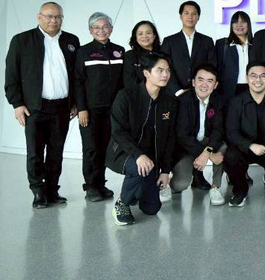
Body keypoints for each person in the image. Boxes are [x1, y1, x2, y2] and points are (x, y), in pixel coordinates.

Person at [4, 2, 80, 209]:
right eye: (49, 16)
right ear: (39, 17)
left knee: (56, 151)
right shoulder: (22, 40)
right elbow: (11, 75)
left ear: (62, 18)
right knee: (35, 152)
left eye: (58, 17)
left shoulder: (71, 41)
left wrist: (75, 102)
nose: (53, 21)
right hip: (34, 107)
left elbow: (77, 75)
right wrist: (17, 104)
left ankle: (52, 190)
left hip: (62, 107)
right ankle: (38, 192)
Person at [107, 52, 177, 226]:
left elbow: (170, 138)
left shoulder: (170, 101)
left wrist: (165, 171)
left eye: (168, 70)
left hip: (151, 160)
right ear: (146, 73)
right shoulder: (126, 96)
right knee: (138, 167)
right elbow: (118, 132)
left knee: (152, 208)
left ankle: (137, 191)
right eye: (159, 70)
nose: (165, 74)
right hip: (124, 152)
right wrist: (138, 155)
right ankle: (122, 203)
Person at [73, 12, 124, 202]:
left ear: (111, 29)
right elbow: (77, 82)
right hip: (91, 110)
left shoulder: (119, 51)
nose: (101, 31)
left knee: (106, 147)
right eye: (96, 27)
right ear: (90, 30)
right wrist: (82, 109)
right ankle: (91, 187)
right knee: (91, 148)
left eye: (105, 27)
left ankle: (101, 184)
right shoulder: (83, 52)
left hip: (113, 110)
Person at [224, 61, 265, 205]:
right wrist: (250, 145)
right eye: (253, 76)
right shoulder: (236, 102)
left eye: (262, 76)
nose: (258, 80)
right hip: (245, 149)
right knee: (230, 157)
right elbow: (231, 132)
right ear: (247, 78)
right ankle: (240, 189)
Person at [167, 64, 227, 206]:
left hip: (207, 142)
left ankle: (215, 187)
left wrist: (208, 151)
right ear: (193, 82)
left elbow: (218, 130)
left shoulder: (219, 100)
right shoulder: (182, 100)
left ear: (215, 85)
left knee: (223, 147)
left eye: (210, 81)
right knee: (179, 185)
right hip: (187, 147)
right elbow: (182, 135)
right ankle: (168, 182)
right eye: (200, 80)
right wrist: (207, 154)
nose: (204, 84)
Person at [161, 0, 215, 95]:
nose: (190, 16)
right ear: (180, 16)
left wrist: (201, 88)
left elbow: (211, 67)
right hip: (174, 94)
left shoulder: (207, 41)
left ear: (198, 17)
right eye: (186, 13)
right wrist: (178, 91)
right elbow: (165, 67)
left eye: (194, 14)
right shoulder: (169, 41)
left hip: (200, 93)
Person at [215, 10, 253, 107]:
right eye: (236, 22)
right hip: (229, 91)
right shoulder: (222, 44)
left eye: (243, 22)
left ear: (248, 24)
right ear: (231, 25)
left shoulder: (256, 44)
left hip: (252, 89)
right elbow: (217, 69)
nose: (239, 25)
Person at [122, 20, 161, 88]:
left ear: (154, 35)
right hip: (138, 93)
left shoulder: (163, 52)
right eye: (140, 34)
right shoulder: (130, 56)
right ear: (135, 37)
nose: (144, 36)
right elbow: (130, 82)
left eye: (148, 33)